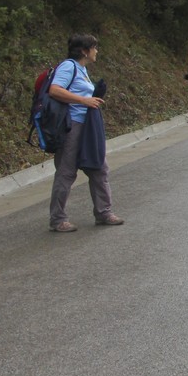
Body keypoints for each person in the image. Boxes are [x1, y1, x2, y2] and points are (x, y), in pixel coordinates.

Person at [46, 34, 124, 232]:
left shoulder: (82, 70)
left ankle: (104, 212)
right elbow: (54, 90)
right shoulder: (68, 66)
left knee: (99, 167)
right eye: (94, 47)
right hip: (72, 126)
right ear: (84, 51)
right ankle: (57, 219)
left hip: (87, 127)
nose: (96, 51)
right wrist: (84, 100)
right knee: (66, 172)